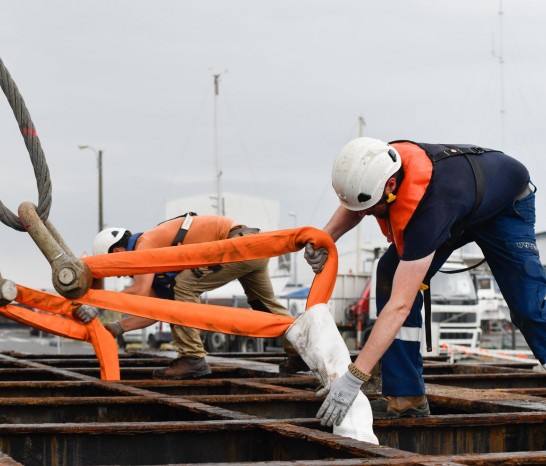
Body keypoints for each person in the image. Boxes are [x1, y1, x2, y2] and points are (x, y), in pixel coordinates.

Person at [306, 137, 546, 425]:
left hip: (506, 207)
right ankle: (406, 395)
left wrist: (355, 376)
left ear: (391, 188)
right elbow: (359, 203)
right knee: (389, 272)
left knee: (528, 305)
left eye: (371, 208)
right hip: (463, 203)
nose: (366, 215)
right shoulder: (379, 164)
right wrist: (325, 238)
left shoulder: (432, 210)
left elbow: (400, 305)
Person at [84, 214, 303, 379]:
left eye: (116, 268)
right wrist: (118, 327)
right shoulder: (152, 249)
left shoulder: (145, 245)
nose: (121, 274)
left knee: (184, 286)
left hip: (237, 244)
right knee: (265, 306)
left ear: (117, 253)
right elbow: (158, 308)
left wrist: (97, 302)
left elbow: (140, 291)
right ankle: (302, 351)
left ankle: (192, 358)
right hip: (252, 244)